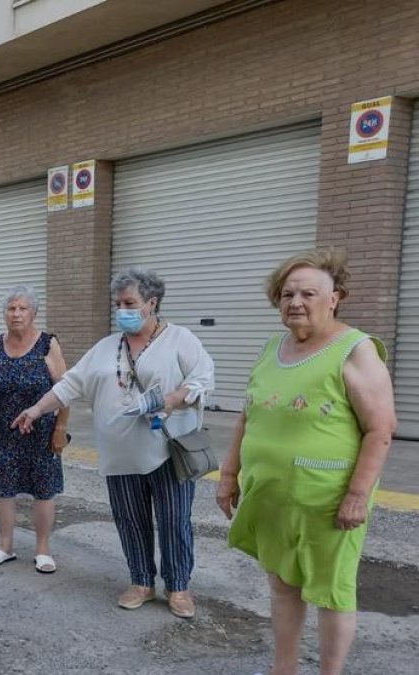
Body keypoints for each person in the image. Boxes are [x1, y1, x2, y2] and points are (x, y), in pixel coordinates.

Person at [217, 249, 394, 675]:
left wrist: (357, 494)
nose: (295, 301)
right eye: (287, 293)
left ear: (335, 298)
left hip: (328, 501)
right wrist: (228, 473)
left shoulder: (355, 350)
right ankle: (285, 668)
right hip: (273, 496)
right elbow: (249, 413)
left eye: (309, 293)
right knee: (282, 583)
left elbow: (381, 429)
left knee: (331, 591)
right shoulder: (272, 347)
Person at [13, 267, 213, 619]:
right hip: (120, 455)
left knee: (174, 520)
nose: (122, 309)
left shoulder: (180, 339)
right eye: (118, 303)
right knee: (129, 520)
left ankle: (178, 587)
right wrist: (36, 409)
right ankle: (141, 582)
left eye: (129, 303)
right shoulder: (107, 347)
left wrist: (172, 398)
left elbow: (202, 381)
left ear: (151, 303)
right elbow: (70, 384)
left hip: (167, 451)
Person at [0, 286, 69, 572]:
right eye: (11, 308)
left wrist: (61, 428)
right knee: (3, 488)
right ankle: (4, 545)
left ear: (34, 313)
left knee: (43, 489)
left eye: (22, 308)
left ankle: (42, 549)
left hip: (40, 429)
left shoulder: (47, 343)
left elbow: (66, 388)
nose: (16, 313)